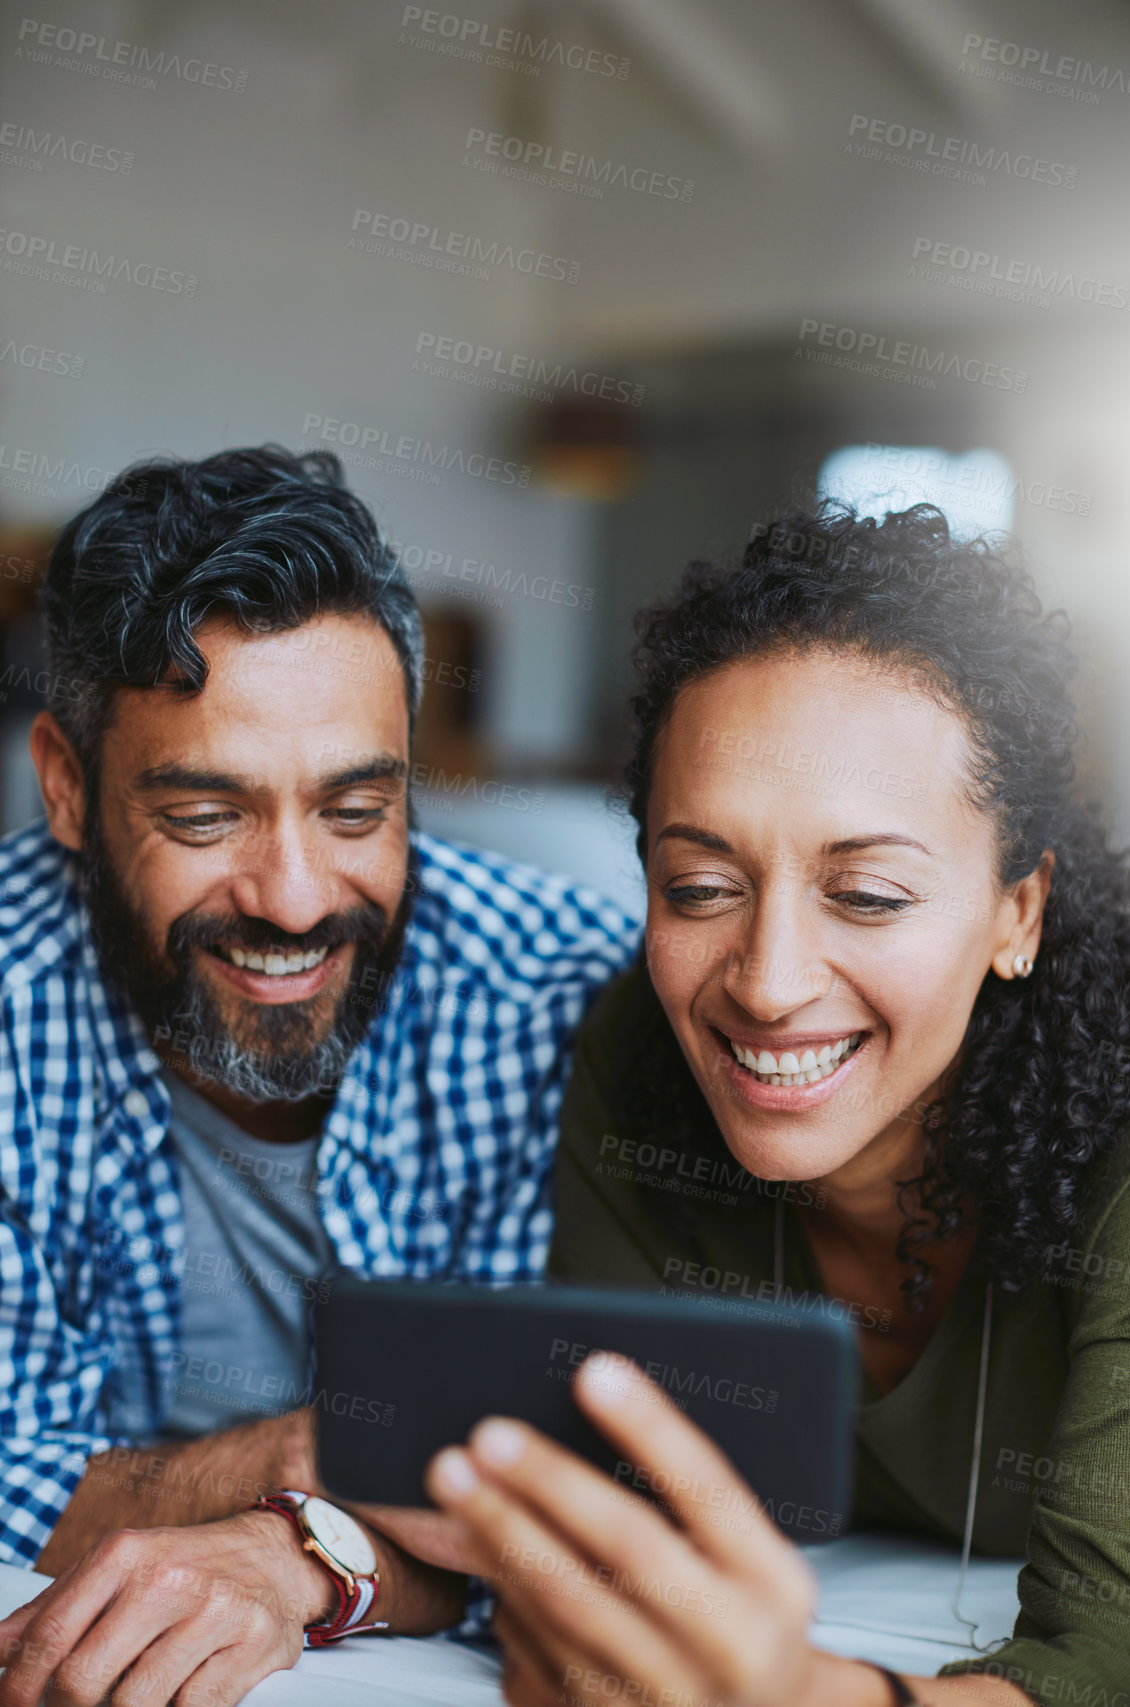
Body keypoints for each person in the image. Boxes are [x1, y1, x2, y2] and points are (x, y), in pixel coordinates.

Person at [421, 503, 1130, 1706]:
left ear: (1017, 911)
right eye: (700, 885)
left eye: (867, 894)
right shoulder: (637, 1057)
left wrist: (812, 1698)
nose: (766, 985)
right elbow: (614, 1510)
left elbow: (1125, 1663)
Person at [0, 445, 639, 1706]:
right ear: (68, 789)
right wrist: (316, 1449)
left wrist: (301, 1548)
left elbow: (558, 1499)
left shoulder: (568, 999)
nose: (294, 898)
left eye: (356, 812)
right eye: (205, 815)